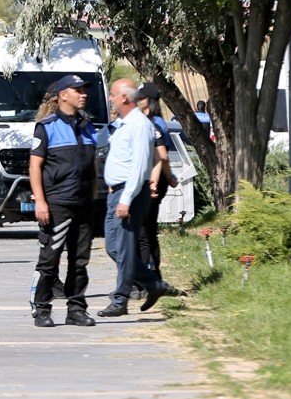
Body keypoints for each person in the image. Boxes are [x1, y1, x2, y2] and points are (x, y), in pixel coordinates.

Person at [28, 76, 98, 328]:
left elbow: (93, 167)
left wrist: (94, 195)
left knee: (79, 261)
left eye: (84, 90)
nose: (83, 94)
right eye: (77, 90)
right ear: (63, 95)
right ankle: (42, 309)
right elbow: (35, 166)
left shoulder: (88, 127)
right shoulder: (46, 127)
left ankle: (76, 309)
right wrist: (41, 202)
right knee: (50, 260)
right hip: (58, 204)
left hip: (84, 205)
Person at [99, 79, 167, 317]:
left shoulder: (139, 125)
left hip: (130, 193)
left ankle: (120, 299)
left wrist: (126, 199)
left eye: (113, 95)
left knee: (126, 248)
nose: (110, 99)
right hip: (116, 192)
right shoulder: (123, 124)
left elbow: (139, 167)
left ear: (125, 98)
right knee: (114, 247)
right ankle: (154, 283)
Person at [134, 83, 179, 297]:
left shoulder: (155, 123)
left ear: (149, 101)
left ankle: (147, 281)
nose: (137, 100)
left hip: (154, 181)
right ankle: (153, 277)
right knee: (148, 231)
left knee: (144, 232)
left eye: (141, 97)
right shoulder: (148, 121)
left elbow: (162, 156)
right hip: (156, 179)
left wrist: (164, 177)